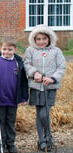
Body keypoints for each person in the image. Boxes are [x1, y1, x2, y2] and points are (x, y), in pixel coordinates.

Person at [24, 24, 66, 152]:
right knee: (39, 114)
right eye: (38, 39)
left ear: (49, 39)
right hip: (36, 87)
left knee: (44, 114)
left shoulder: (56, 51)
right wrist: (34, 73)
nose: (41, 42)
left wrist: (53, 78)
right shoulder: (30, 51)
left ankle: (49, 137)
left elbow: (61, 67)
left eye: (44, 39)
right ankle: (41, 140)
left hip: (50, 87)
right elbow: (26, 64)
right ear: (34, 40)